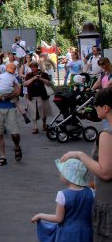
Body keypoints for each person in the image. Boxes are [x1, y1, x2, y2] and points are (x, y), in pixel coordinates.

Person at [61, 88, 112, 241]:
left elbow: (105, 173)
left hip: (108, 202)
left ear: (105, 108)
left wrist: (79, 155)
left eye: (96, 105)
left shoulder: (106, 135)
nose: (94, 108)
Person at [31, 159, 94, 242]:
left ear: (68, 176)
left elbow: (58, 219)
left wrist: (40, 215)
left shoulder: (62, 195)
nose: (60, 174)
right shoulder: (91, 192)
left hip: (67, 235)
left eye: (62, 172)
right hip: (86, 232)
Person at [0, 61, 23, 166]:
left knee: (15, 133)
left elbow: (18, 91)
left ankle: (17, 146)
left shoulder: (10, 76)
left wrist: (3, 97)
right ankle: (3, 156)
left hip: (10, 108)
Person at [24, 61, 54, 134]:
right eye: (32, 67)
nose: (33, 68)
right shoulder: (28, 75)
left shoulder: (44, 74)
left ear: (37, 67)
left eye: (35, 67)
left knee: (44, 112)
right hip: (32, 96)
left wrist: (41, 79)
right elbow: (25, 84)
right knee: (34, 113)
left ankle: (44, 124)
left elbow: (49, 83)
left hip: (42, 96)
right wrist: (33, 78)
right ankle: (35, 127)